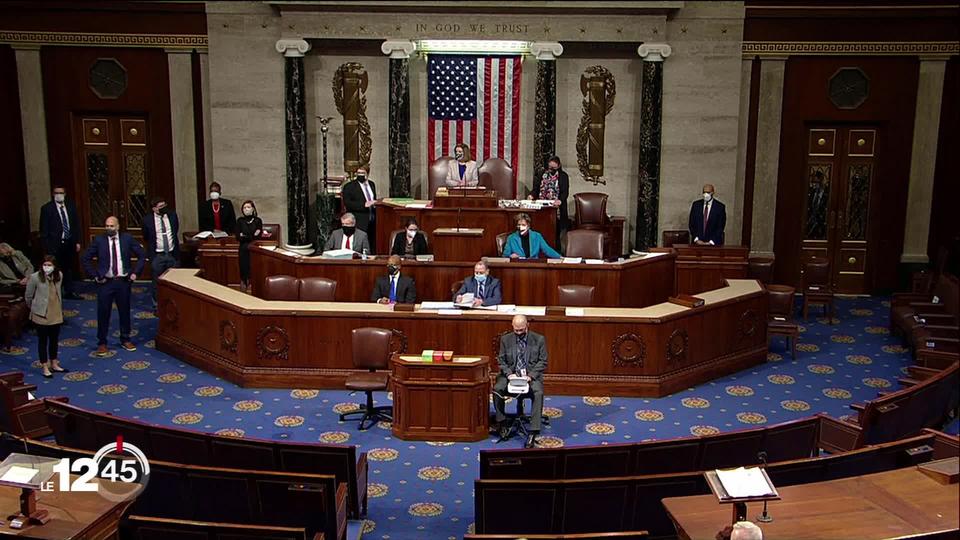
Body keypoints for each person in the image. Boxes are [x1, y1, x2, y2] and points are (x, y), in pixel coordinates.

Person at [81, 216, 145, 356]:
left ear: (117, 226)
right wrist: (95, 275)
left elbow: (141, 255)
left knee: (124, 311)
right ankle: (102, 343)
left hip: (123, 281)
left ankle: (125, 339)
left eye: (111, 226)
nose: (109, 228)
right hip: (106, 282)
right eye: (107, 226)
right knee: (103, 312)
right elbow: (85, 258)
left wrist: (135, 273)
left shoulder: (127, 238)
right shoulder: (99, 240)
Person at [494, 314, 547, 448]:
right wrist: (509, 374)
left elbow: (543, 362)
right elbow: (501, 360)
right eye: (516, 330)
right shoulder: (506, 339)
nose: (518, 333)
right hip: (510, 375)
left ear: (527, 326)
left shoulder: (539, 339)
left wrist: (530, 376)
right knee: (497, 389)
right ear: (512, 326)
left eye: (521, 330)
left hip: (530, 376)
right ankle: (502, 423)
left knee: (538, 392)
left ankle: (533, 431)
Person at [25, 256, 68, 378]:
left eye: (49, 265)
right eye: (45, 264)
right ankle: (44, 366)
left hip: (56, 313)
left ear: (54, 266)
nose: (47, 267)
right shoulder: (35, 277)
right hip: (41, 315)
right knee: (43, 341)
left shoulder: (59, 275)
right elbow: (28, 296)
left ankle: (54, 363)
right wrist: (34, 308)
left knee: (54, 340)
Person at [38, 185, 81, 299]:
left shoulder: (71, 206)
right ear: (53, 194)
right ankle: (55, 293)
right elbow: (44, 230)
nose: (59, 195)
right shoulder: (47, 209)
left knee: (68, 268)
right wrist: (47, 246)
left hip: (69, 242)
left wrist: (77, 241)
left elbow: (75, 225)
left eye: (61, 193)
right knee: (55, 268)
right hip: (54, 244)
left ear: (65, 194)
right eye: (56, 193)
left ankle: (69, 291)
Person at [141, 196, 179, 306]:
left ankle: (173, 304)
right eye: (160, 207)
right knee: (157, 282)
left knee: (174, 281)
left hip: (172, 253)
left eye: (164, 206)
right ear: (154, 209)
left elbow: (175, 231)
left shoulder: (172, 216)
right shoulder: (147, 220)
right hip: (158, 255)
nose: (163, 208)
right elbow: (146, 237)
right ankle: (157, 305)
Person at [528, 156, 570, 240]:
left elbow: (565, 192)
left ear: (558, 166)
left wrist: (560, 200)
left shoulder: (563, 176)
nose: (551, 170)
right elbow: (536, 188)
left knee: (555, 233)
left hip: (556, 208)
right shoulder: (542, 174)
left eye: (554, 168)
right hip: (542, 206)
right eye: (550, 167)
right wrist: (531, 195)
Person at [342, 166, 378, 252]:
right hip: (359, 220)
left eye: (362, 173)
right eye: (358, 173)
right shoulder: (349, 186)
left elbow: (373, 199)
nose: (360, 175)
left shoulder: (372, 184)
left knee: (372, 243)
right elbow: (348, 203)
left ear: (367, 174)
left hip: (372, 219)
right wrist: (364, 205)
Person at [236, 200, 270, 291]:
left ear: (253, 209)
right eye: (244, 207)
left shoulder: (257, 220)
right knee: (243, 265)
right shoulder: (240, 220)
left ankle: (252, 283)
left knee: (253, 266)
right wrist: (250, 235)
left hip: (254, 247)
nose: (246, 209)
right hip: (243, 247)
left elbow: (257, 236)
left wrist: (245, 235)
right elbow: (238, 237)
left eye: (248, 207)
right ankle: (244, 281)